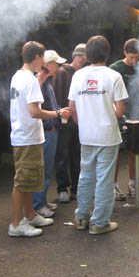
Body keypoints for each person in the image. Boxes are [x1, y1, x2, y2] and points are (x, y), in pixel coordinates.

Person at [9, 41, 70, 237]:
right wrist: (58, 113)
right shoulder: (29, 80)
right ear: (36, 57)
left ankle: (30, 214)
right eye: (42, 57)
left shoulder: (19, 76)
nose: (44, 61)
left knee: (28, 181)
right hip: (28, 137)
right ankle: (16, 224)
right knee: (22, 183)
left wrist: (40, 80)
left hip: (23, 136)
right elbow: (34, 112)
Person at [68, 35, 127, 234]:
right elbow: (120, 109)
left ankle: (81, 218)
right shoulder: (113, 76)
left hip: (86, 134)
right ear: (107, 54)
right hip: (107, 135)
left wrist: (83, 124)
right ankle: (100, 222)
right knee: (104, 179)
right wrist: (108, 117)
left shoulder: (77, 76)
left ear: (87, 55)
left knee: (85, 176)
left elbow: (72, 108)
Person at [109, 38, 139, 200]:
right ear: (125, 53)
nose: (134, 61)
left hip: (137, 112)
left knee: (135, 149)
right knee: (116, 151)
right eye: (131, 57)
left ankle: (133, 183)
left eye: (137, 57)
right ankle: (114, 185)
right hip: (119, 114)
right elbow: (110, 95)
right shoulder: (115, 69)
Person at [32, 50, 66, 218]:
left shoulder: (46, 82)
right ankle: (37, 205)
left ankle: (42, 200)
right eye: (56, 63)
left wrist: (59, 112)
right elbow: (36, 110)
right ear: (47, 64)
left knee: (47, 168)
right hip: (46, 130)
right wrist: (57, 115)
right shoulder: (38, 81)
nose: (58, 67)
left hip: (51, 129)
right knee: (43, 169)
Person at [52, 43, 86, 203]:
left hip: (80, 122)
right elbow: (57, 97)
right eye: (80, 56)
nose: (82, 59)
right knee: (62, 156)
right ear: (75, 56)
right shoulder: (62, 72)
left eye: (84, 56)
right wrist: (60, 118)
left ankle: (76, 188)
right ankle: (62, 188)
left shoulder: (85, 73)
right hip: (65, 123)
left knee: (77, 156)